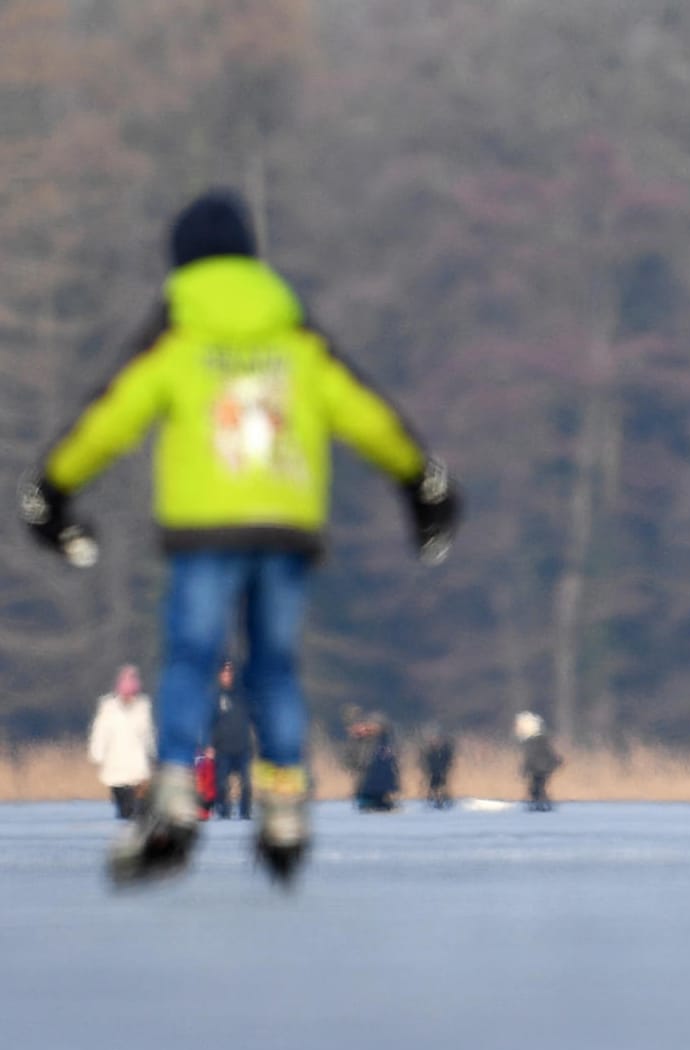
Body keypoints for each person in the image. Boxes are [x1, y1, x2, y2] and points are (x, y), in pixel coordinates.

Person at [20, 188, 461, 885]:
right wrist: (422, 487)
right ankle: (285, 799)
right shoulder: (296, 339)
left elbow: (110, 418)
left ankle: (171, 791)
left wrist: (53, 490)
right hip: (285, 525)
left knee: (193, 656)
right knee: (274, 665)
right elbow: (368, 414)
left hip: (205, 528)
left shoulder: (179, 338)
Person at [87, 665, 155, 820]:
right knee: (123, 806)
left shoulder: (143, 707)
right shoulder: (108, 708)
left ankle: (136, 826)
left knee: (137, 806)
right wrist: (96, 754)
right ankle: (125, 820)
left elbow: (148, 734)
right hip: (115, 763)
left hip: (137, 764)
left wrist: (153, 752)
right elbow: (100, 733)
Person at [209, 659, 254, 820]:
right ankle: (224, 812)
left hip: (243, 748)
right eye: (224, 672)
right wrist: (208, 745)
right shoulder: (215, 697)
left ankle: (245, 813)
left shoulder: (243, 695)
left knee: (246, 784)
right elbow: (208, 722)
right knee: (221, 785)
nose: (227, 676)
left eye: (230, 672)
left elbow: (255, 717)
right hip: (222, 749)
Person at [346, 712, 400, 813]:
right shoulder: (361, 743)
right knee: (367, 798)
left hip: (378, 781)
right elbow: (352, 760)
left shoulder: (383, 742)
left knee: (379, 798)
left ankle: (381, 802)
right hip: (367, 782)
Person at [514, 711, 562, 811]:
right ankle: (541, 804)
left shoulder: (534, 742)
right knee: (538, 788)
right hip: (543, 767)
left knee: (536, 788)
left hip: (539, 768)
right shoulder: (540, 740)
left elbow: (531, 758)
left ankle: (540, 805)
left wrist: (524, 770)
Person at [420, 725, 456, 810]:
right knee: (434, 786)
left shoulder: (443, 751)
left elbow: (448, 761)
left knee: (442, 786)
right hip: (434, 772)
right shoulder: (431, 751)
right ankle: (434, 800)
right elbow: (427, 762)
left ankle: (442, 799)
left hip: (441, 771)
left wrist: (445, 768)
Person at [194, 746, 217, 822]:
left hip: (207, 794)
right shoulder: (203, 762)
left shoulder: (211, 763)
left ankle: (203, 812)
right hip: (204, 793)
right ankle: (202, 812)